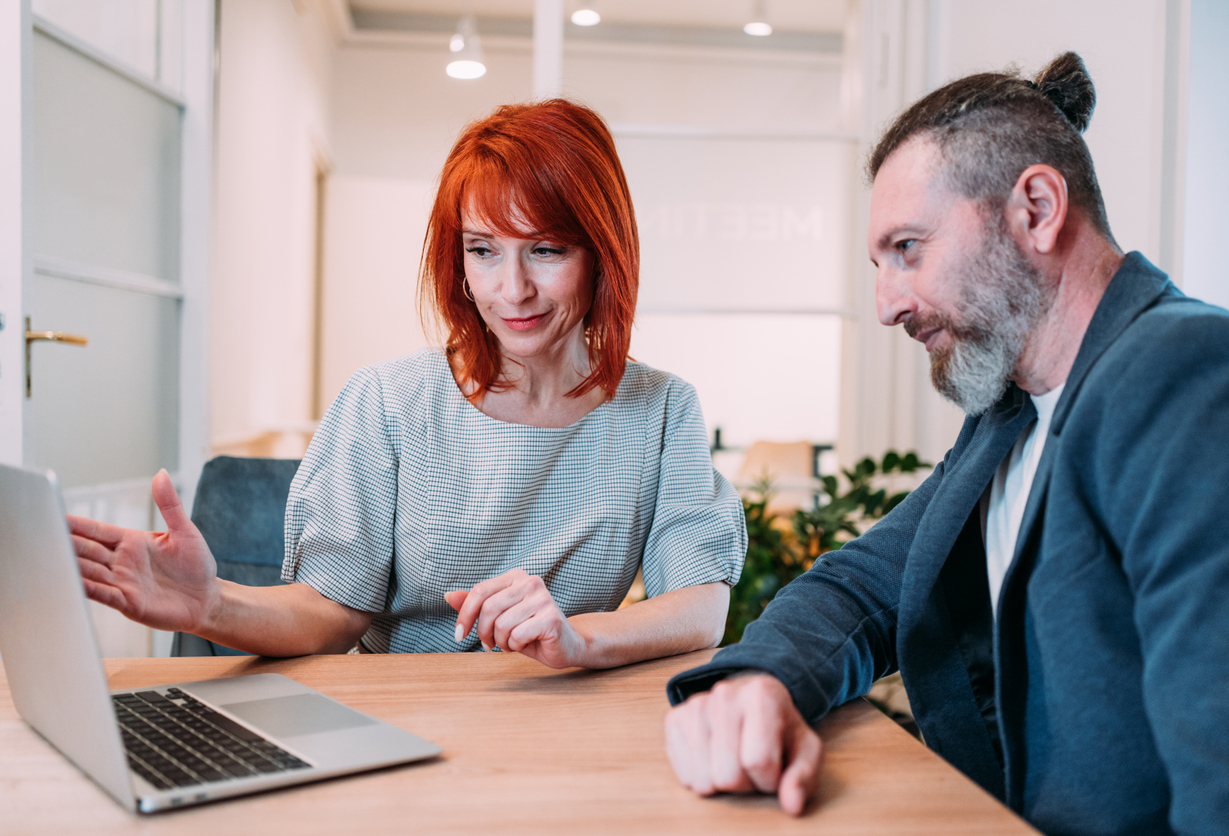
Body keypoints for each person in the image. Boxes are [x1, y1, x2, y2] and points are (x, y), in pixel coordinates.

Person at [664, 52, 1229, 835]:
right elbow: (863, 585)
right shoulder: (1012, 412)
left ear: (1036, 209)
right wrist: (758, 684)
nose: (887, 303)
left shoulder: (1190, 376)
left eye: (908, 248)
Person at [72, 99, 746, 668]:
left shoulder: (660, 409)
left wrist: (577, 639)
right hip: (402, 716)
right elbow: (331, 613)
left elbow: (701, 606)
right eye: (483, 250)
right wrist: (211, 605)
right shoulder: (388, 402)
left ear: (603, 253)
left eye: (546, 249)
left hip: (562, 718)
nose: (512, 289)